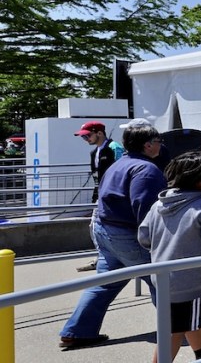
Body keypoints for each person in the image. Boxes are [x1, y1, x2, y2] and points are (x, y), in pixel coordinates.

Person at [59, 123, 166, 350]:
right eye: (158, 142)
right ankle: (178, 329)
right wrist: (156, 241)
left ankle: (77, 331)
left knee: (103, 284)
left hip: (105, 231)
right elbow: (145, 209)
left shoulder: (118, 165)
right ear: (148, 145)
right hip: (128, 234)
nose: (161, 146)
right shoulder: (147, 169)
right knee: (162, 280)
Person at [138, 151, 201, 361]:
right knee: (174, 331)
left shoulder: (158, 205)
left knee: (189, 321)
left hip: (162, 277)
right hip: (191, 281)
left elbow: (143, 237)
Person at [73, 121, 124, 272]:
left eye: (88, 135)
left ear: (99, 133)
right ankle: (104, 257)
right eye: (83, 137)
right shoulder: (94, 152)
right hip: (100, 195)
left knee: (108, 226)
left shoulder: (114, 147)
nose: (86, 139)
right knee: (94, 226)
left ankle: (115, 258)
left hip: (115, 196)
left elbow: (122, 170)